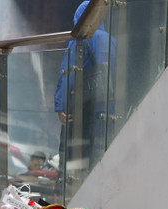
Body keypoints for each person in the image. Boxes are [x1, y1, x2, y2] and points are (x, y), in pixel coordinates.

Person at [54, 1, 115, 173]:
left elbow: (68, 73)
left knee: (72, 161)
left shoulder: (80, 40)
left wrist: (61, 105)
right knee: (98, 159)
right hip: (106, 112)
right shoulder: (112, 41)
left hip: (82, 112)